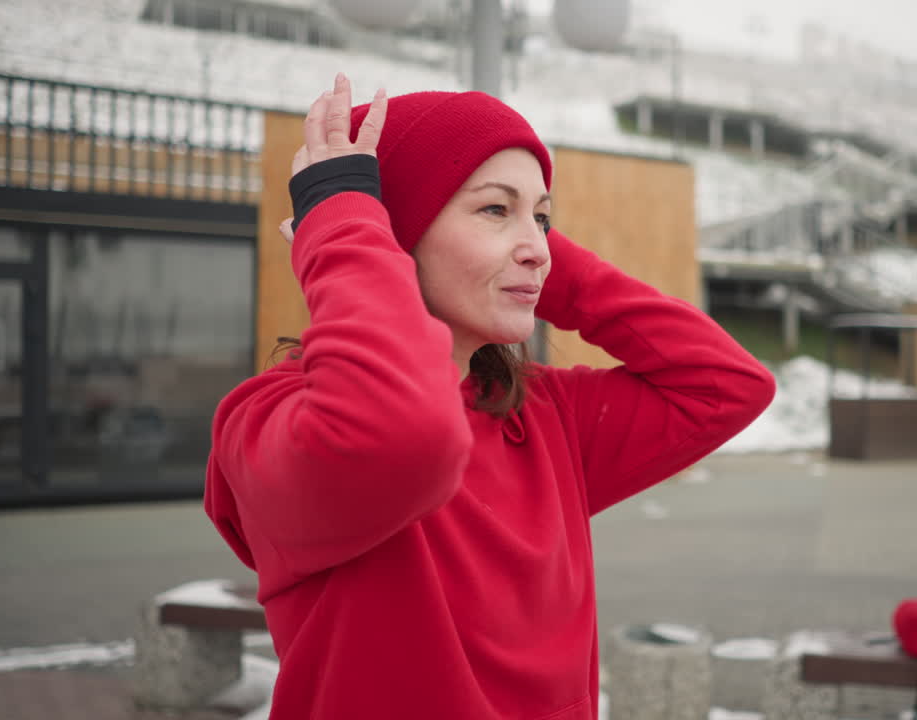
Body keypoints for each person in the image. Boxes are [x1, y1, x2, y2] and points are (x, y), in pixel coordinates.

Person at [204, 73, 775, 719]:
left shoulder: (546, 417)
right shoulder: (270, 424)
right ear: (387, 234)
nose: (538, 249)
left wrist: (523, 257)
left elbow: (726, 385)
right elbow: (402, 434)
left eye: (544, 218)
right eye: (494, 209)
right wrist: (346, 229)